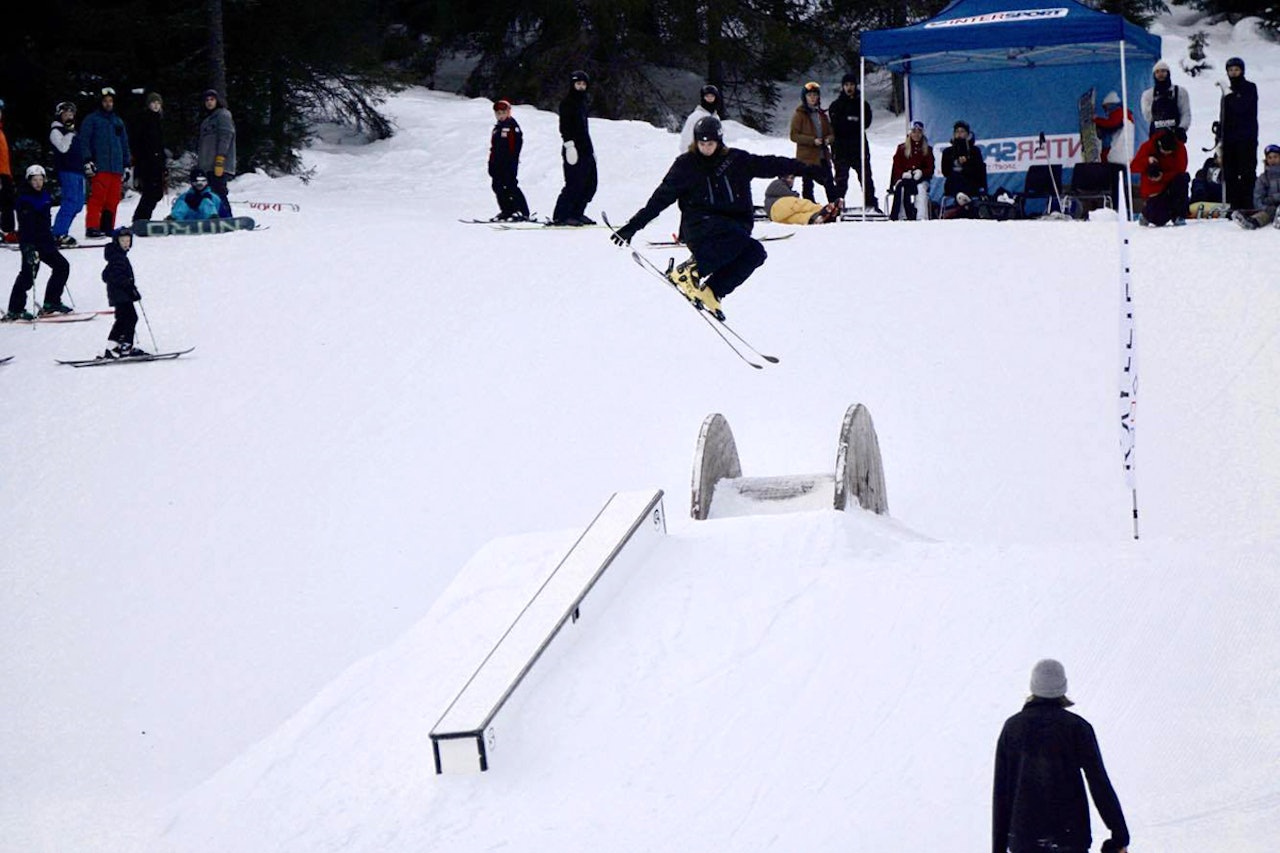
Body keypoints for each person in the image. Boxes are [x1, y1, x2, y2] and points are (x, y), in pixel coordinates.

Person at [608, 115, 828, 319]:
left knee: (755, 252)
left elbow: (772, 164)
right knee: (736, 236)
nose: (706, 148)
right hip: (700, 228)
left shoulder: (735, 161)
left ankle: (712, 292)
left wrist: (809, 170)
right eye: (702, 144)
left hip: (732, 231)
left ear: (719, 142)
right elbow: (660, 199)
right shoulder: (686, 165)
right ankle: (689, 271)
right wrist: (633, 226)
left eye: (710, 144)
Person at [993, 659, 1130, 853]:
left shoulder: (1012, 728)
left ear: (1033, 686)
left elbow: (1001, 793)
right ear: (1062, 688)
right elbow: (1099, 783)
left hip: (1025, 839)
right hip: (1070, 837)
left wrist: (997, 848)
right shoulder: (1078, 728)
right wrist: (1119, 836)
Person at [3, 166, 71, 321]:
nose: (38, 183)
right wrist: (28, 247)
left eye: (41, 180)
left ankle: (51, 302)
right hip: (31, 243)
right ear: (29, 181)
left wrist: (51, 238)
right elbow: (26, 226)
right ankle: (15, 309)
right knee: (28, 275)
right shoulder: (24, 199)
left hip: (46, 242)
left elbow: (45, 222)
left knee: (62, 266)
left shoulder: (45, 196)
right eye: (35, 180)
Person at [80, 86, 132, 237]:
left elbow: (124, 144)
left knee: (113, 199)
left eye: (110, 101)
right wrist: (88, 160)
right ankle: (92, 227)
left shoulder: (118, 121)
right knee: (97, 198)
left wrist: (127, 164)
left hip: (116, 168)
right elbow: (84, 141)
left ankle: (107, 226)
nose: (108, 104)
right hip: (100, 166)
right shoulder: (92, 120)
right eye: (105, 101)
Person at [551, 70, 597, 226]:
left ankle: (577, 212)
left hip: (585, 147)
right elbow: (565, 126)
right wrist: (569, 144)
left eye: (584, 84)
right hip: (573, 148)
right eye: (578, 84)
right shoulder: (568, 103)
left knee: (590, 183)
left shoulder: (583, 102)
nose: (581, 87)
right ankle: (562, 215)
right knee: (574, 183)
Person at [828, 73, 877, 210]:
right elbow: (836, 125)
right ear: (843, 87)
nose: (849, 88)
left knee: (866, 179)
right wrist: (851, 122)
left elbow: (865, 123)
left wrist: (850, 122)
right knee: (841, 181)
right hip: (841, 149)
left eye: (852, 85)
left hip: (859, 148)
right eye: (847, 85)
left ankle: (871, 205)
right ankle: (837, 207)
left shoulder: (862, 104)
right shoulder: (836, 105)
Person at [1219, 57, 1259, 211]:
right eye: (1230, 70)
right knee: (1230, 172)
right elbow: (1224, 113)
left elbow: (1241, 107)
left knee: (1247, 172)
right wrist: (1219, 132)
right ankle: (1233, 205)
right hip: (1230, 139)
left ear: (1242, 70)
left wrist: (1229, 94)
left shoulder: (1249, 88)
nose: (1233, 73)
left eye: (1236, 70)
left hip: (1246, 137)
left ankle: (1248, 204)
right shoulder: (1227, 91)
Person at [101, 225, 147, 358]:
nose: (126, 244)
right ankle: (124, 346)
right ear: (117, 242)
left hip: (120, 294)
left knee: (123, 319)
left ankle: (114, 346)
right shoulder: (117, 258)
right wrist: (130, 288)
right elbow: (117, 277)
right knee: (130, 318)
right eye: (123, 241)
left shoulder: (117, 256)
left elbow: (106, 274)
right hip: (121, 295)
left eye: (128, 241)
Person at [1131, 127, 1189, 226]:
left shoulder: (1180, 148)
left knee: (1182, 179)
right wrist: (1147, 161)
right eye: (1164, 151)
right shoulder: (1147, 147)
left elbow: (1181, 170)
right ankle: (1147, 214)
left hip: (1171, 183)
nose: (1166, 154)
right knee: (1159, 220)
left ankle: (1179, 215)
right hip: (1154, 188)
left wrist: (1163, 177)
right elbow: (1133, 167)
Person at [789, 82, 835, 203]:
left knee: (829, 183)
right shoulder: (799, 115)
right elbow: (794, 135)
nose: (813, 98)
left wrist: (828, 140)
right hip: (806, 157)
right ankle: (809, 208)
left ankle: (834, 206)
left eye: (815, 95)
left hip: (822, 156)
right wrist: (812, 141)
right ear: (805, 97)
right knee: (808, 186)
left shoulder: (822, 115)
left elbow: (831, 133)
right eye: (810, 95)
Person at [50, 101, 86, 246]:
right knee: (70, 202)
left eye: (71, 113)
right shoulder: (56, 131)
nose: (69, 116)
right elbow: (63, 148)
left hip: (78, 170)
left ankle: (60, 229)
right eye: (66, 113)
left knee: (78, 204)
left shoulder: (72, 131)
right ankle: (59, 233)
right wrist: (70, 133)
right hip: (67, 170)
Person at [488, 99, 529, 222]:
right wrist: (491, 163)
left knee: (511, 185)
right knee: (497, 186)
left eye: (503, 113)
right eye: (498, 113)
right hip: (497, 163)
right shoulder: (497, 128)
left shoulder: (512, 126)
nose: (500, 115)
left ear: (508, 112)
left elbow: (516, 145)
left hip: (509, 163)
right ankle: (507, 210)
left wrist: (511, 160)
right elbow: (494, 148)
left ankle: (522, 211)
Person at [198, 89, 237, 218]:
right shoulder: (206, 120)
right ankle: (214, 216)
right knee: (209, 193)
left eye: (212, 99)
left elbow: (226, 136)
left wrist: (220, 157)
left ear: (217, 101)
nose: (209, 102)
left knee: (219, 191)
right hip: (207, 164)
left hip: (219, 163)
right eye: (207, 100)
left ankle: (227, 217)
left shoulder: (223, 115)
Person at [889, 120, 935, 221]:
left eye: (919, 132)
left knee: (920, 189)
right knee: (901, 188)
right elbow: (896, 166)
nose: (916, 134)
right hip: (905, 178)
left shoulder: (927, 149)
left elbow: (930, 168)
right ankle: (901, 216)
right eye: (914, 131)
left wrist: (922, 172)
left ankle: (921, 217)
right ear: (910, 133)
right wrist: (902, 174)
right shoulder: (901, 149)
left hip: (921, 179)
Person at [132, 92, 167, 223]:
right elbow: (139, 142)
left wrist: (163, 164)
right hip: (147, 163)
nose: (156, 105)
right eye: (154, 103)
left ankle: (143, 217)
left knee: (157, 192)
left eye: (158, 103)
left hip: (157, 162)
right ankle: (140, 218)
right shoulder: (144, 119)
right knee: (150, 191)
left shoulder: (159, 120)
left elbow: (160, 144)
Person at [940, 120, 987, 218]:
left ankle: (962, 204)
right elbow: (945, 172)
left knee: (965, 179)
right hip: (952, 183)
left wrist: (966, 164)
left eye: (962, 131)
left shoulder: (975, 151)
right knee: (955, 176)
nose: (959, 134)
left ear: (968, 134)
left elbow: (978, 171)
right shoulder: (947, 152)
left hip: (970, 182)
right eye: (957, 131)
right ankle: (964, 202)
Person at [1231, 143, 1280, 229]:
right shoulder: (1263, 178)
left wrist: (1275, 197)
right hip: (1271, 209)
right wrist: (1266, 207)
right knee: (1265, 214)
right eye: (1270, 157)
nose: (1273, 160)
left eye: (1275, 157)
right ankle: (1252, 222)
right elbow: (1258, 199)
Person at [1140, 59, 1191, 141]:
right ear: (1154, 75)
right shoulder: (1148, 95)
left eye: (1163, 71)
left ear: (1168, 73)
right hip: (1156, 137)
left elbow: (1185, 113)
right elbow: (1147, 116)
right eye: (1157, 72)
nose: (1160, 74)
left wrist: (1182, 128)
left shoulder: (1180, 92)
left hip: (1176, 136)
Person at [763, 174, 842, 224]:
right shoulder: (777, 183)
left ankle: (816, 218)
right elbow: (790, 195)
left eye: (792, 178)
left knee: (797, 218)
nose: (791, 180)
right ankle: (824, 210)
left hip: (776, 216)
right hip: (777, 206)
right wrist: (795, 194)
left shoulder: (781, 190)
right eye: (788, 178)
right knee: (801, 204)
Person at [1093, 91, 1135, 166]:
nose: (1106, 111)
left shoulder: (1121, 113)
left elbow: (1111, 124)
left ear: (1111, 105)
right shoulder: (1125, 114)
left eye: (1106, 107)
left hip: (1119, 156)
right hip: (1122, 156)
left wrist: (1096, 120)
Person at [679, 84, 724, 151]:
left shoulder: (716, 117)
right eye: (707, 96)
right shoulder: (696, 116)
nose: (710, 98)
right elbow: (686, 138)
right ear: (703, 97)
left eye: (712, 96)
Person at [0, 97, 15, 241]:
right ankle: (6, 230)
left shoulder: (1, 130)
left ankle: (7, 230)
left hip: (5, 172)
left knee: (7, 201)